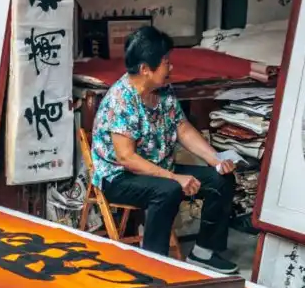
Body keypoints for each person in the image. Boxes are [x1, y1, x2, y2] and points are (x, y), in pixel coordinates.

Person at [89, 26, 238, 274]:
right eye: (166, 63)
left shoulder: (162, 91)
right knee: (168, 190)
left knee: (221, 179)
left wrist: (215, 159)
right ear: (146, 69)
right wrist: (174, 177)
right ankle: (154, 263)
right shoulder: (121, 100)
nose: (171, 68)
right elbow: (127, 158)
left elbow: (182, 128)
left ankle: (203, 252)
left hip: (158, 168)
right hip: (120, 177)